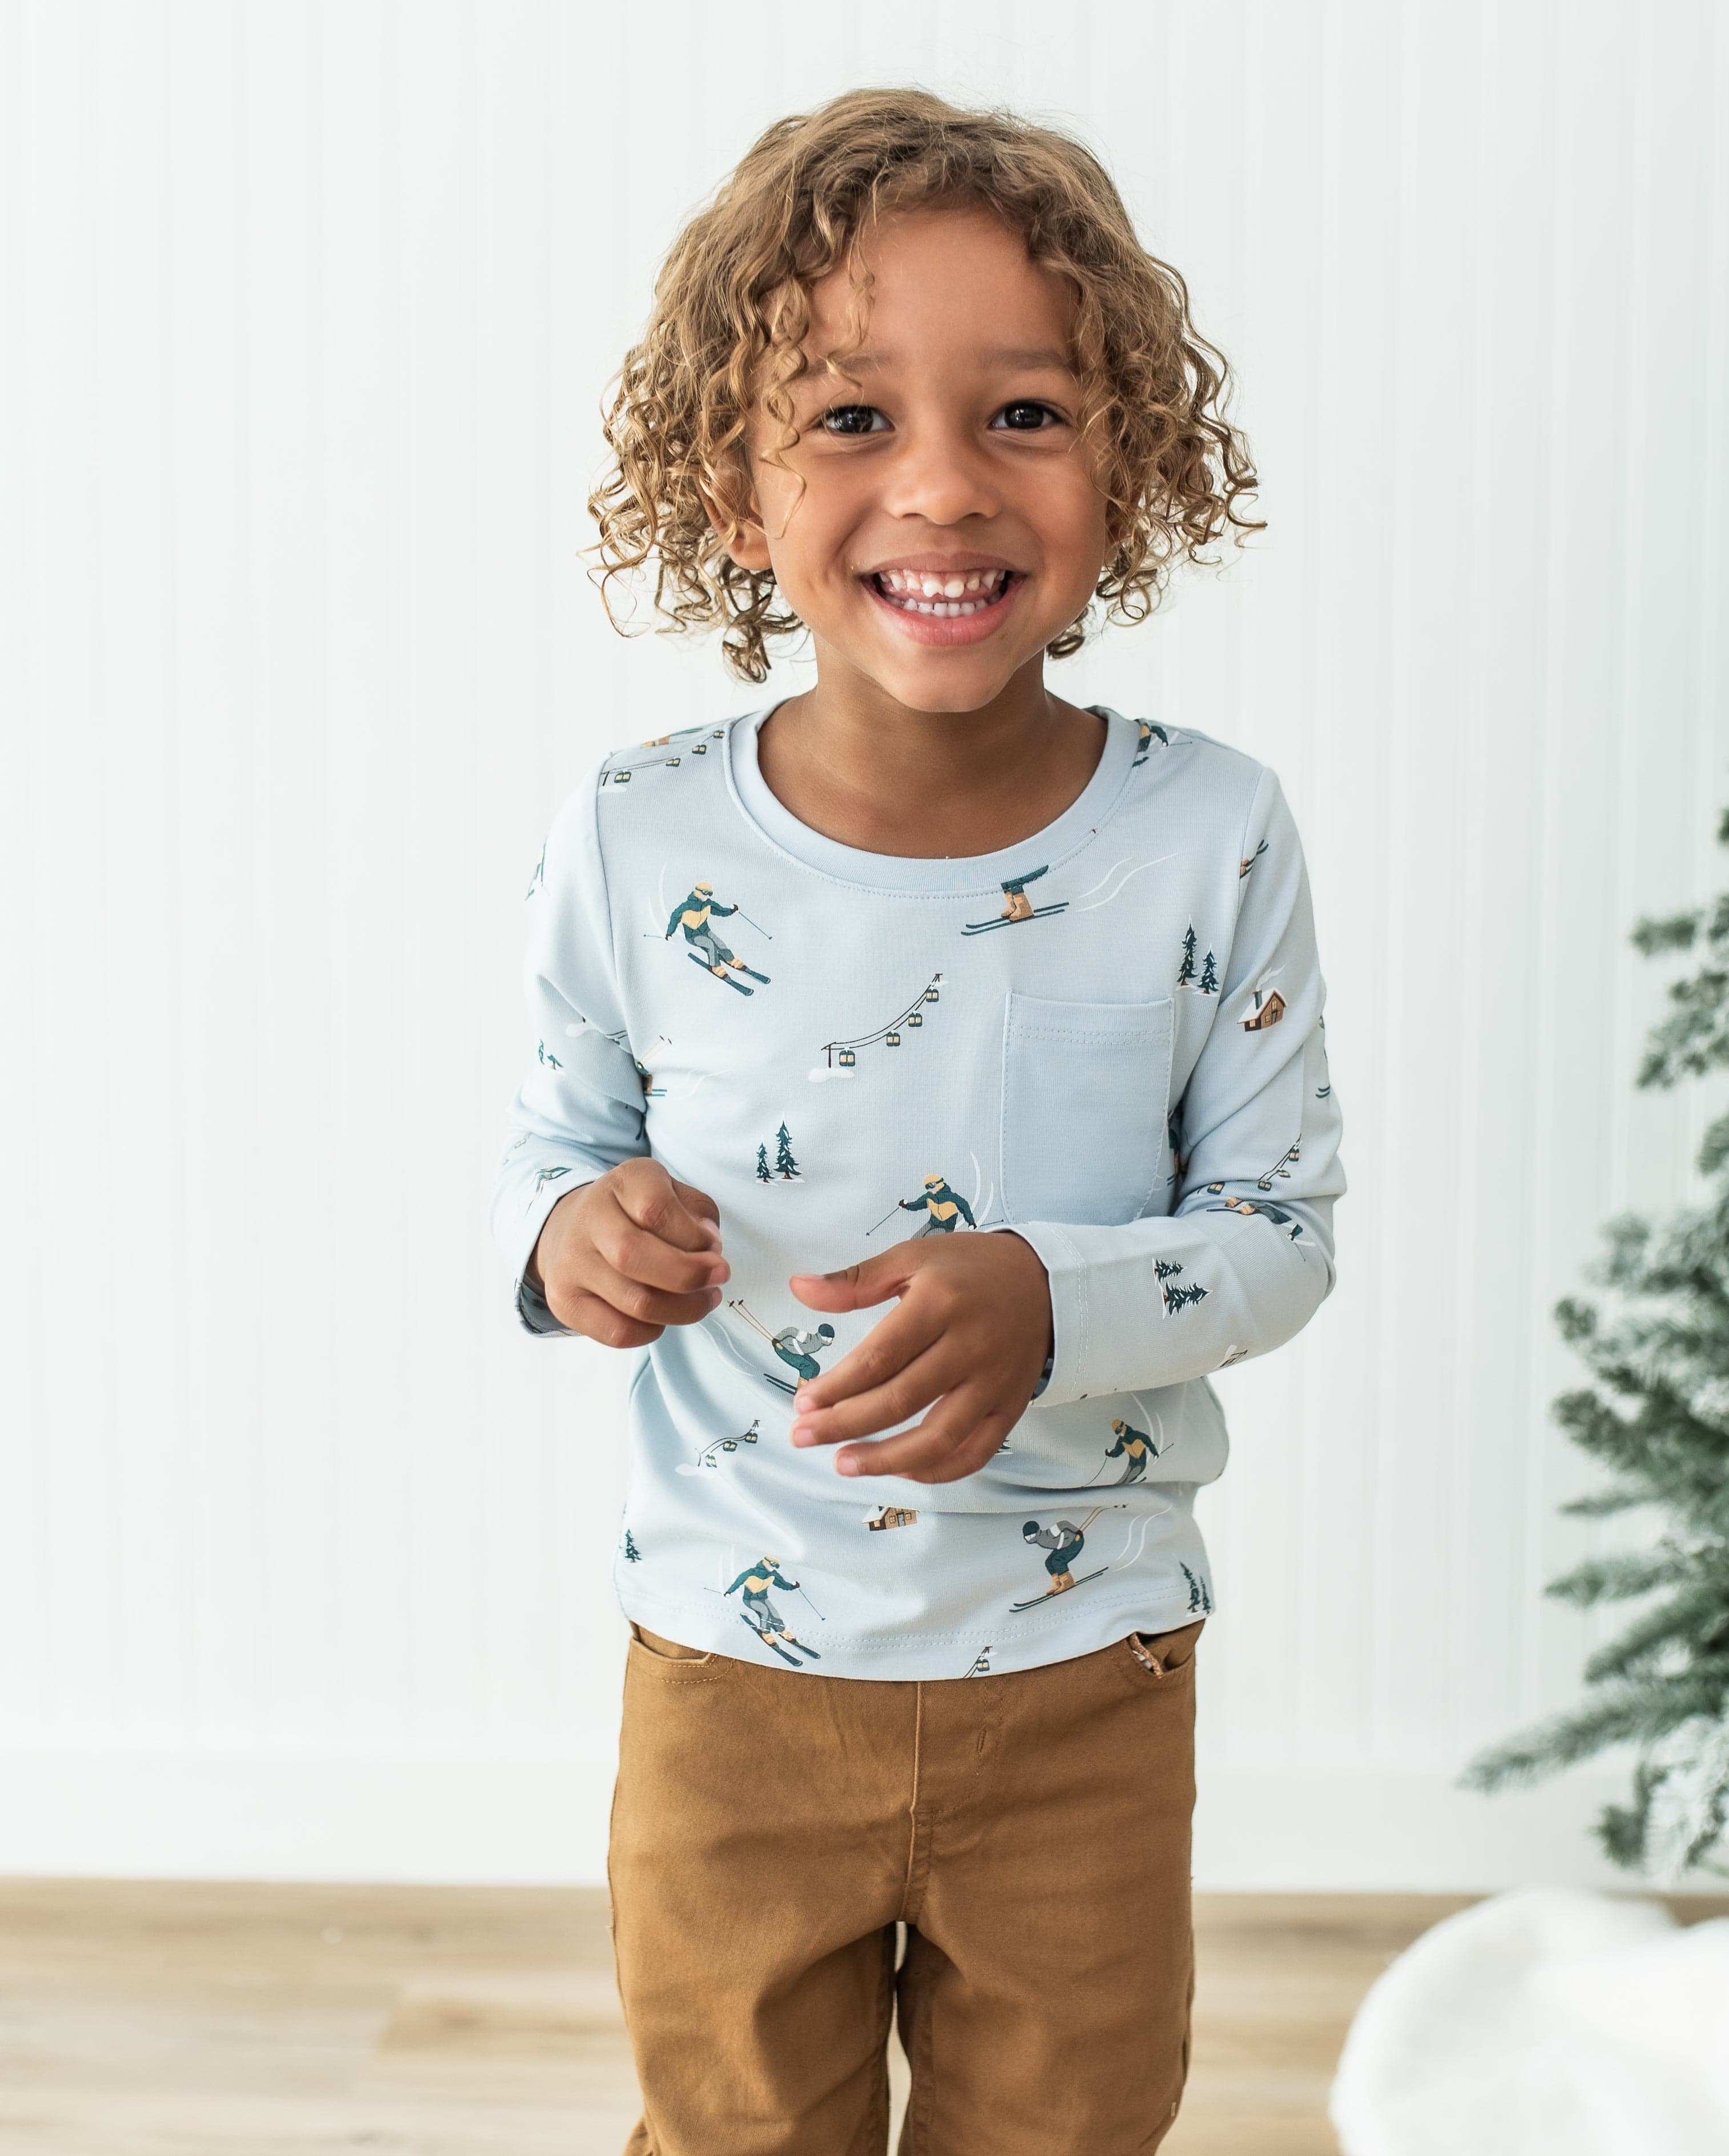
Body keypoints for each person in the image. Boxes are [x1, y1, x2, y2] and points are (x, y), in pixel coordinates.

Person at [489, 87, 1347, 2156]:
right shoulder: (637, 829)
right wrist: (569, 1237)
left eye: (1027, 414)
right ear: (729, 475)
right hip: (729, 1671)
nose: (943, 487)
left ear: (1126, 455)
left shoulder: (1208, 832)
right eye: (851, 418)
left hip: (1084, 1676)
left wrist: (1051, 1295)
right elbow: (550, 1139)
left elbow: (1279, 1225)